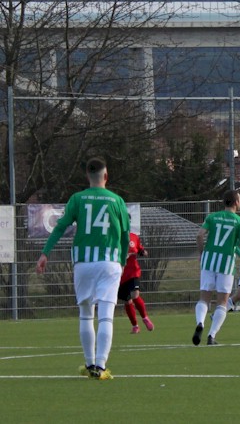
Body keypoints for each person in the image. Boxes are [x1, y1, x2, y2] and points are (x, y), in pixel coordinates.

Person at [35, 157, 130, 380]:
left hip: (83, 263)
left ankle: (89, 364)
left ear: (87, 176)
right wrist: (123, 260)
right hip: (109, 263)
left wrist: (45, 253)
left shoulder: (77, 199)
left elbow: (60, 227)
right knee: (106, 315)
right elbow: (126, 236)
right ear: (106, 176)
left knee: (86, 315)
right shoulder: (117, 201)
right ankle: (101, 366)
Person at [193, 190, 240, 346]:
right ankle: (211, 335)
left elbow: (199, 235)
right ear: (236, 202)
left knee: (204, 298)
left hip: (208, 261)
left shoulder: (212, 217)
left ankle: (200, 322)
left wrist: (201, 253)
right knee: (222, 302)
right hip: (226, 264)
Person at [119, 229, 155, 333]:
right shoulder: (114, 236)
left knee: (135, 295)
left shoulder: (133, 236)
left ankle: (145, 317)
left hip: (133, 272)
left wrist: (143, 252)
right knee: (127, 301)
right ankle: (135, 326)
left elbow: (139, 249)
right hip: (120, 275)